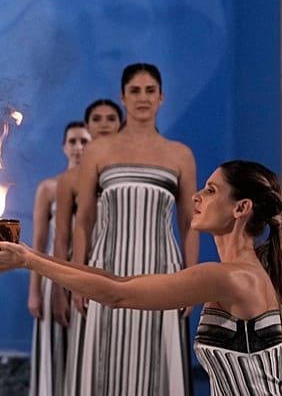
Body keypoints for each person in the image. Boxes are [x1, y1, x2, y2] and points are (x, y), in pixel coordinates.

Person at [0, 160, 282, 395]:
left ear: (241, 208)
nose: (196, 197)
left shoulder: (230, 277)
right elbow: (118, 281)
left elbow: (117, 296)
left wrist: (30, 263)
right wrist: (28, 254)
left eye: (211, 190)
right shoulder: (237, 274)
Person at [74, 63, 198, 394]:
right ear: (123, 97)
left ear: (161, 98)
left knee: (159, 365)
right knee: (105, 364)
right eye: (135, 91)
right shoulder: (98, 150)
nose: (143, 98)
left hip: (164, 273)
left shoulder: (180, 155)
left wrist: (192, 280)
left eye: (150, 91)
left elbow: (190, 222)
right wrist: (78, 279)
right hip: (105, 271)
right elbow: (84, 218)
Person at [51, 99, 122, 395]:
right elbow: (66, 235)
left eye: (110, 118)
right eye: (96, 118)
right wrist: (64, 287)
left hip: (131, 264)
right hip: (89, 269)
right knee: (91, 355)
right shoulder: (69, 179)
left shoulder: (130, 168)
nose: (104, 124)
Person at [28, 121, 90, 396]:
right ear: (64, 147)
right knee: (54, 354)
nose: (78, 148)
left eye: (84, 141)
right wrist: (34, 292)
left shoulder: (99, 190)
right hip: (55, 276)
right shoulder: (49, 188)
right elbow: (39, 243)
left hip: (91, 279)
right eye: (73, 141)